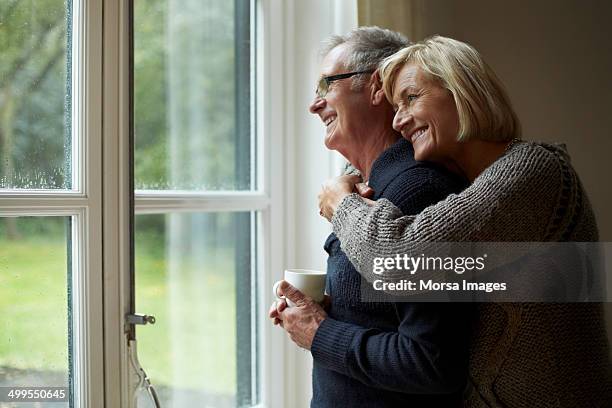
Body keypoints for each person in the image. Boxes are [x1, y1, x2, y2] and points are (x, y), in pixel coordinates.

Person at [317, 35, 611, 407]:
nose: (400, 120)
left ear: (462, 91)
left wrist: (341, 201)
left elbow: (398, 260)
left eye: (411, 98)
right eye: (394, 107)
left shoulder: (535, 171)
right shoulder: (469, 187)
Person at [269, 27, 474, 407]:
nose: (315, 106)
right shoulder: (369, 188)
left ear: (378, 86)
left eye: (327, 85)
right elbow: (385, 316)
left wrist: (319, 332)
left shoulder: (417, 192)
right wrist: (320, 314)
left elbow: (431, 363)